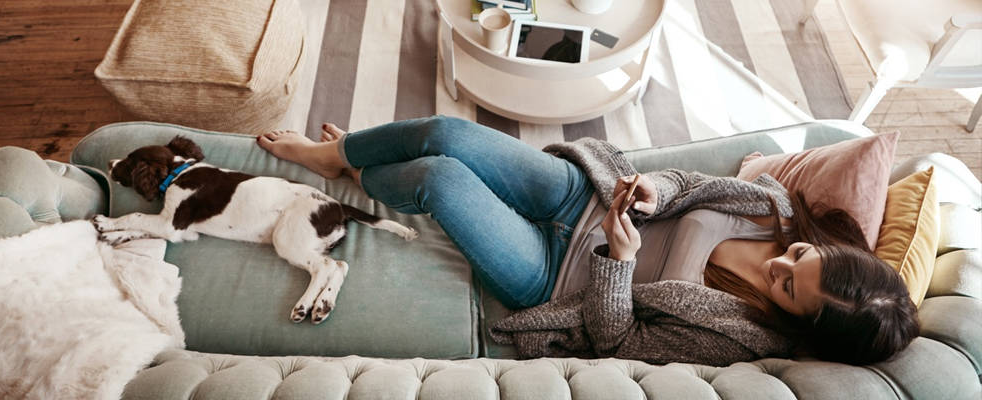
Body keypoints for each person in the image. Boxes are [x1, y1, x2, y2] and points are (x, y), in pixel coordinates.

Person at [256, 115, 919, 366]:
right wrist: (657, 188)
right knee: (448, 135)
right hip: (583, 196)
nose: (780, 264)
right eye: (802, 258)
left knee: (438, 178)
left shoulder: (741, 336)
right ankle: (336, 155)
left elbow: (619, 341)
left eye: (786, 288)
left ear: (796, 322)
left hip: (553, 275)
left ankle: (364, 172)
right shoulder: (774, 208)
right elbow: (689, 184)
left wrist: (619, 263)